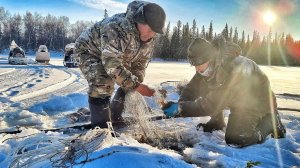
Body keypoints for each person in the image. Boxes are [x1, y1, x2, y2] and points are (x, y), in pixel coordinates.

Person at [163, 37, 286, 147]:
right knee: (205, 84)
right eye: (194, 64)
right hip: (238, 98)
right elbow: (192, 87)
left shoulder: (233, 68)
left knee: (236, 138)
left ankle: (271, 121)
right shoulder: (209, 66)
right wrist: (181, 103)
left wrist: (180, 109)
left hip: (257, 101)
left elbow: (212, 105)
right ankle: (217, 121)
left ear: (210, 57)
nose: (198, 68)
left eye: (200, 63)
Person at [75, 1, 166, 128]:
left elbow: (140, 63)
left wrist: (136, 82)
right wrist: (138, 87)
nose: (152, 35)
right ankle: (100, 127)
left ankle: (114, 115)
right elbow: (112, 66)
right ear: (139, 21)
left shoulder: (149, 38)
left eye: (155, 32)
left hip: (116, 55)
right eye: (150, 30)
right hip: (89, 51)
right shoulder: (116, 28)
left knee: (133, 81)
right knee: (102, 83)